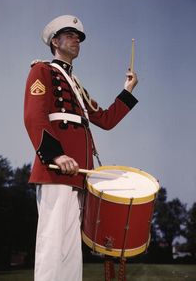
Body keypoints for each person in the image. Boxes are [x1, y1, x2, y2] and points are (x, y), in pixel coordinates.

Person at [24, 14, 138, 281]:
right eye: (71, 35)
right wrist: (55, 154)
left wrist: (128, 90)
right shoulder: (42, 70)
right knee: (52, 244)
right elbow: (34, 116)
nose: (77, 40)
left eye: (79, 38)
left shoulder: (77, 87)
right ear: (55, 40)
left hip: (80, 173)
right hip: (56, 168)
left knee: (72, 249)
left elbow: (106, 120)